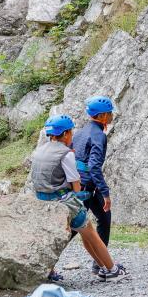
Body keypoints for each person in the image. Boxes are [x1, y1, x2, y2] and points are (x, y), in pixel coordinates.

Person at [31, 114, 127, 281]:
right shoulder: (66, 153)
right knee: (89, 232)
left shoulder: (39, 151)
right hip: (63, 201)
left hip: (42, 200)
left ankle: (49, 271)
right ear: (67, 133)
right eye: (71, 132)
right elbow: (75, 183)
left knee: (52, 237)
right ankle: (111, 270)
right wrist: (82, 195)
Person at [72, 96, 114, 275]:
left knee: (104, 218)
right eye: (110, 112)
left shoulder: (80, 132)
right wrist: (105, 193)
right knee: (73, 228)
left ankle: (100, 264)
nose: (112, 115)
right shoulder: (98, 135)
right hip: (87, 187)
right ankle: (48, 264)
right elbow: (94, 166)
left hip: (81, 184)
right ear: (103, 116)